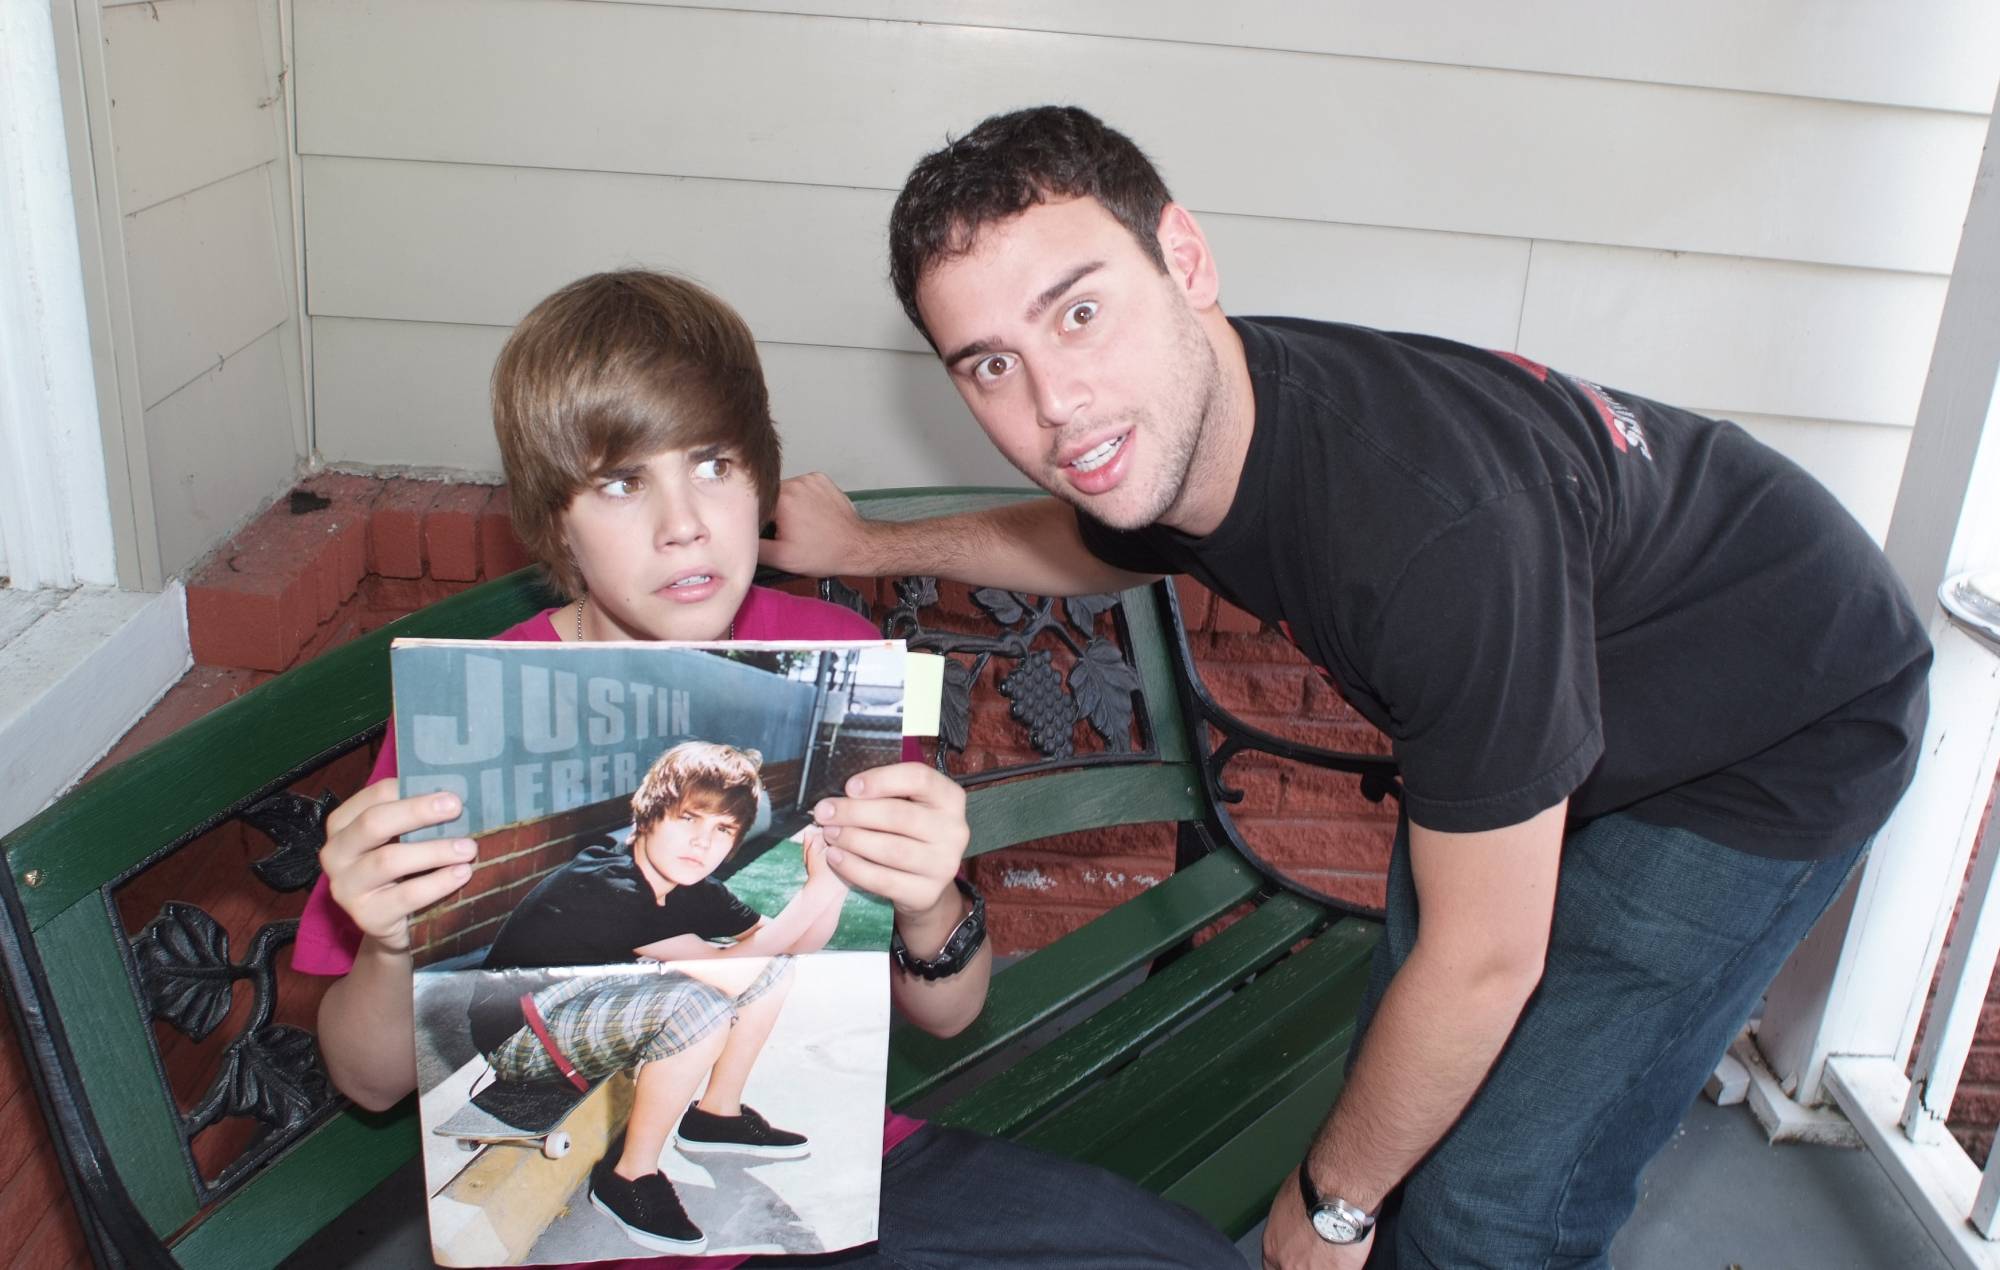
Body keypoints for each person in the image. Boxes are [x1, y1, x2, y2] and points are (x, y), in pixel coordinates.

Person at [759, 106, 1934, 1269]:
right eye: (992, 365)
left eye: (1077, 311)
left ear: (1183, 258)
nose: (1054, 404)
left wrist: (1328, 1206)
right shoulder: (1197, 417)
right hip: (1567, 684)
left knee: (1491, 1199)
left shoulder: (1427, 536)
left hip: (1776, 723)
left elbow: (1483, 961)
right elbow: (1085, 544)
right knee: (1412, 1088)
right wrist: (865, 547)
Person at [295, 267, 1241, 1267]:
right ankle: (639, 1165)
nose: (683, 523)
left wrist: (925, 904)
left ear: (758, 475)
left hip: (845, 1188)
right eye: (621, 482)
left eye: (712, 464)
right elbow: (367, 1081)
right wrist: (391, 945)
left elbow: (950, 1010)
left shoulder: (830, 659)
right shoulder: (468, 712)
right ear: (554, 521)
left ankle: (712, 1115)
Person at [466, 740, 846, 1252]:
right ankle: (628, 1179)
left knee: (770, 973)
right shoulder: (610, 882)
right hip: (520, 1033)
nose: (702, 843)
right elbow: (728, 976)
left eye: (722, 830)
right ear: (649, 815)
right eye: (689, 818)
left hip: (588, 1000)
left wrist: (836, 879)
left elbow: (791, 947)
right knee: (701, 1004)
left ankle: (717, 1114)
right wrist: (814, 894)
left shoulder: (689, 882)